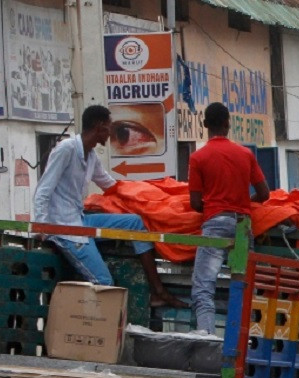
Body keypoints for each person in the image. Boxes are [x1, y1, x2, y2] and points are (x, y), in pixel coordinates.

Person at [33, 105, 186, 307]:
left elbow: (110, 185)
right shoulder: (66, 149)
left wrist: (147, 197)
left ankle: (157, 291)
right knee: (104, 282)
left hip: (81, 219)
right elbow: (43, 189)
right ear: (98, 127)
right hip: (65, 228)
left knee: (135, 223)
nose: (111, 133)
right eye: (108, 127)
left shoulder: (91, 156)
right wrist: (41, 225)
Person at [188, 102, 270, 333]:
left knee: (204, 287)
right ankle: (245, 343)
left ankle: (209, 340)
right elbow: (264, 194)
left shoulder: (198, 158)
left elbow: (195, 203)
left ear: (205, 125)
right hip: (243, 227)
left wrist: (216, 204)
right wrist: (243, 202)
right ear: (228, 124)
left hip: (215, 225)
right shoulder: (245, 154)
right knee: (245, 288)